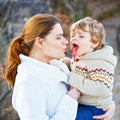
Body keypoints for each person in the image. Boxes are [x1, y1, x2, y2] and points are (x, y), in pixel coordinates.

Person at [4, 14, 115, 120]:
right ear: (40, 42)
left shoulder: (58, 67)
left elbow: (94, 91)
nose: (66, 41)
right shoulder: (28, 82)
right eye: (58, 37)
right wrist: (71, 99)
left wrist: (107, 106)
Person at [68, 17, 117, 120]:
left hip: (95, 107)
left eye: (81, 36)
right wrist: (67, 63)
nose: (74, 38)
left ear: (94, 43)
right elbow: (79, 70)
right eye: (72, 35)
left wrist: (72, 77)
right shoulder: (83, 57)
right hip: (81, 103)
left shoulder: (100, 62)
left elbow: (101, 88)